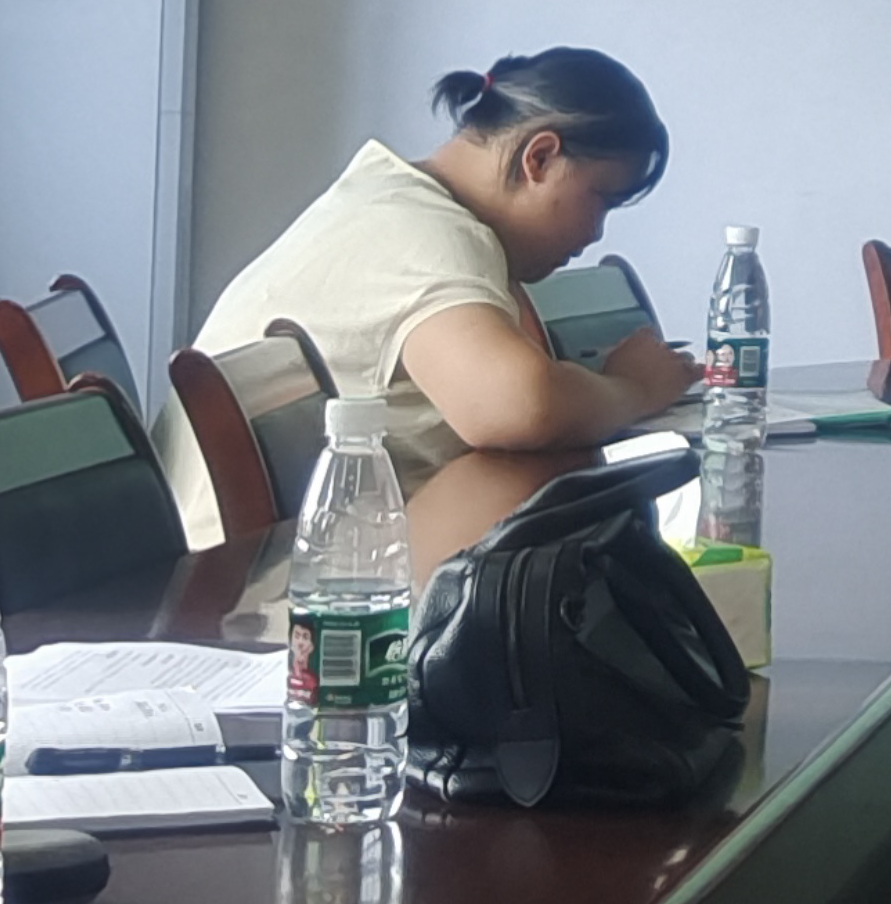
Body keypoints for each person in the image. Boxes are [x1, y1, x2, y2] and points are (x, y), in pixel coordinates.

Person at [159, 53, 699, 573]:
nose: (596, 232)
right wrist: (634, 389)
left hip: (270, 563)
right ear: (540, 158)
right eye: (601, 199)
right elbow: (517, 406)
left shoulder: (402, 201)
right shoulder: (425, 232)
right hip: (248, 587)